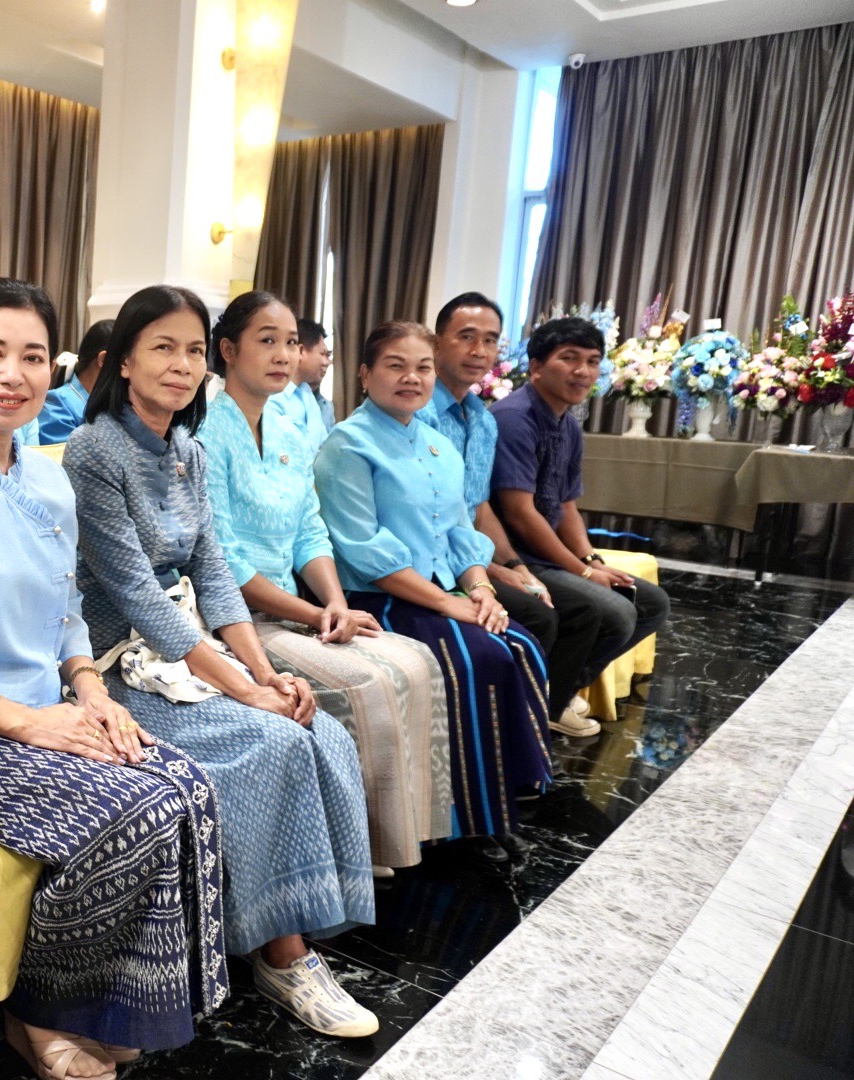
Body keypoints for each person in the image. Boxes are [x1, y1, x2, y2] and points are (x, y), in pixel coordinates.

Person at [0, 278, 228, 1080]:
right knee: (125, 813)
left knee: (187, 788)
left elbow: (65, 613)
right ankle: (36, 1008)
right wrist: (29, 723)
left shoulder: (49, 478)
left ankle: (113, 1002)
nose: (11, 375)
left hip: (38, 704)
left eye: (31, 357)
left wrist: (90, 692)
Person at [66, 284, 379, 1039]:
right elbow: (136, 596)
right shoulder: (94, 450)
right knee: (266, 741)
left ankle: (294, 934)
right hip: (115, 665)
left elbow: (212, 573)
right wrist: (244, 691)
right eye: (163, 348)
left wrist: (265, 675)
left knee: (319, 728)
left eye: (193, 350)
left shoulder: (188, 451)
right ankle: (284, 956)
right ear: (124, 361)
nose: (181, 365)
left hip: (188, 648)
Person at [198, 290, 452, 872]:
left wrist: (334, 602)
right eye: (267, 341)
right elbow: (224, 561)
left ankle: (407, 833)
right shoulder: (207, 433)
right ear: (228, 350)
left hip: (296, 604)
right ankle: (360, 846)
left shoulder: (287, 431)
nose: (284, 354)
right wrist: (312, 615)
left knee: (414, 661)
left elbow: (311, 531)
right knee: (368, 683)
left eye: (291, 342)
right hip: (234, 619)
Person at [314, 320, 551, 867]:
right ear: (366, 373)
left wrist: (482, 588)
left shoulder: (438, 443)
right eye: (395, 365)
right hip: (382, 596)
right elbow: (360, 548)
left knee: (523, 645)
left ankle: (506, 799)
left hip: (443, 589)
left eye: (422, 367)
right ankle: (468, 821)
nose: (411, 378)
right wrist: (450, 605)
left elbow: (462, 533)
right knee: (482, 658)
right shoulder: (347, 445)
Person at [422, 293, 602, 737]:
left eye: (490, 340)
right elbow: (427, 514)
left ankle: (535, 716)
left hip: (470, 556)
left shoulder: (480, 419)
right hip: (429, 563)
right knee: (545, 614)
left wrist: (514, 566)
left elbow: (479, 506)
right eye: (466, 337)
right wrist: (485, 573)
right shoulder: (417, 411)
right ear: (436, 342)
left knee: (559, 602)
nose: (479, 351)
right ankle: (514, 734)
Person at [489, 316, 671, 728]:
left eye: (592, 361)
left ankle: (559, 690)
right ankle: (545, 707)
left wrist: (592, 559)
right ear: (536, 367)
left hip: (549, 554)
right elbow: (519, 512)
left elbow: (566, 505)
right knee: (615, 612)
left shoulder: (568, 423)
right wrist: (582, 571)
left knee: (651, 603)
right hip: (515, 557)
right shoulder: (514, 418)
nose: (583, 371)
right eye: (569, 359)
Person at [37, 318, 113, 444]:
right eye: (124, 361)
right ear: (103, 360)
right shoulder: (57, 404)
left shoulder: (111, 404)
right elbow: (62, 459)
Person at [267, 317, 336, 452]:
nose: (327, 362)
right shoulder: (273, 397)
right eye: (322, 353)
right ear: (301, 351)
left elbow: (324, 447)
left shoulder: (308, 396)